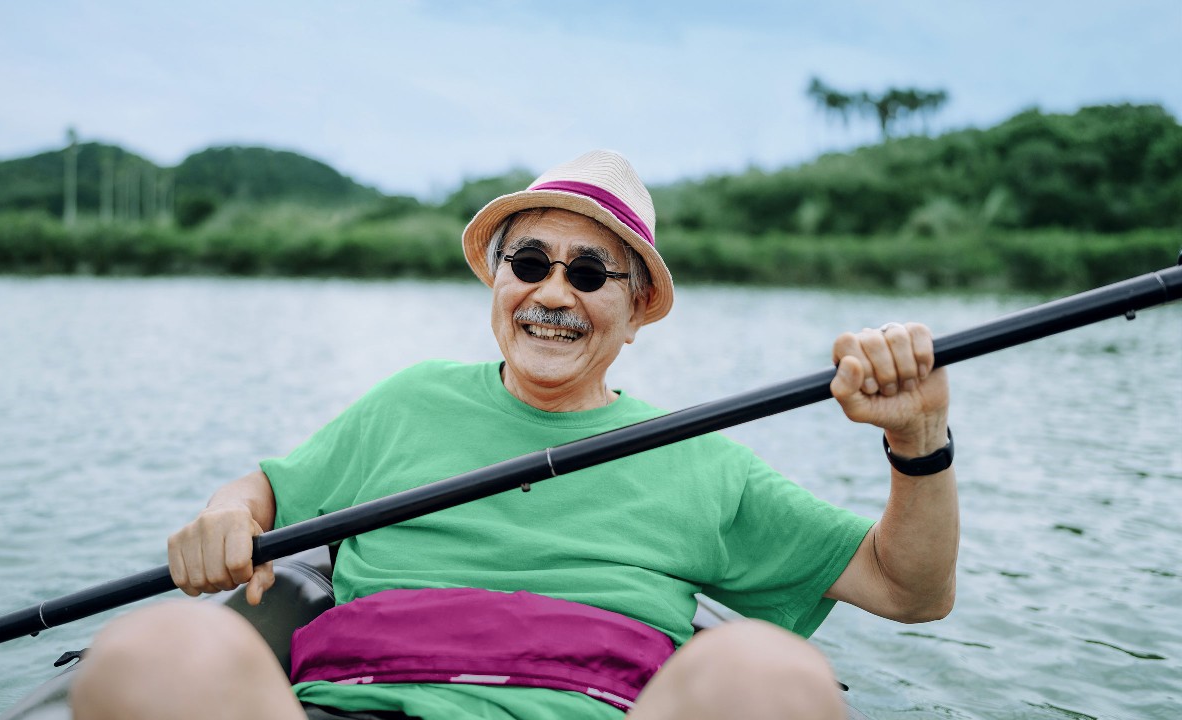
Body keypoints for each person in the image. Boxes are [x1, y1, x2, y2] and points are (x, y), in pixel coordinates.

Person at [71, 150, 957, 720]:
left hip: (594, 705)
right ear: (497, 283)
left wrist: (919, 437)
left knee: (772, 673)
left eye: (589, 272)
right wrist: (227, 509)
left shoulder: (701, 453)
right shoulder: (408, 401)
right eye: (527, 263)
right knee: (157, 649)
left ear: (638, 309)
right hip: (360, 706)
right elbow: (268, 492)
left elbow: (908, 589)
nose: (552, 293)